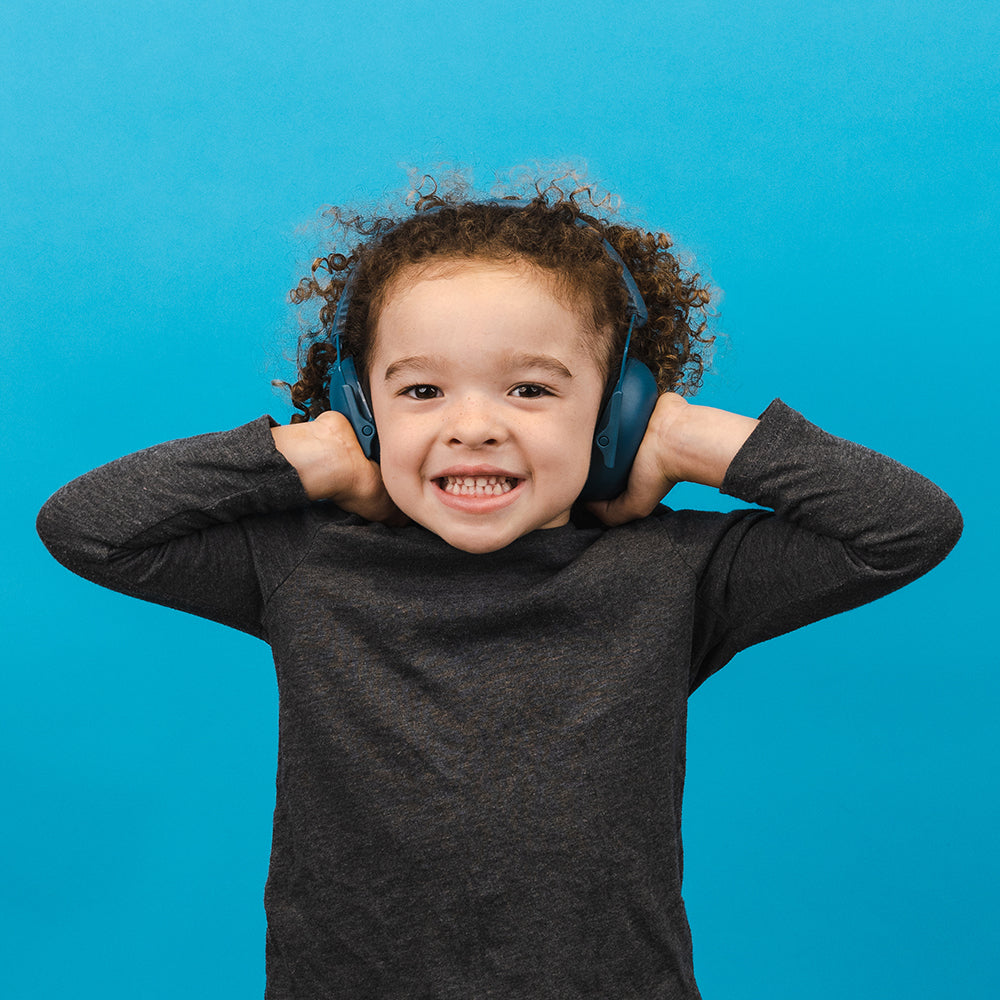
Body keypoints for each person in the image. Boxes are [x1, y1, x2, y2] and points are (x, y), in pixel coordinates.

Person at [36, 179, 962, 999]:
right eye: (422, 392)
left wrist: (685, 436)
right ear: (362, 409)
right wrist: (303, 453)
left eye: (529, 389)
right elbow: (87, 525)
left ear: (615, 413)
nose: (472, 426)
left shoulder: (678, 574)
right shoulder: (305, 563)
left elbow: (906, 526)